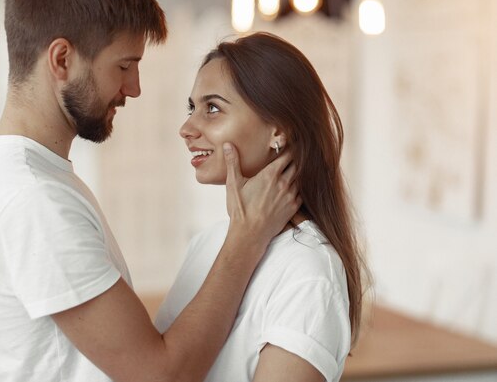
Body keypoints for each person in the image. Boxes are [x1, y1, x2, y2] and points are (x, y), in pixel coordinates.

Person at [0, 0, 301, 382]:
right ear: (62, 59)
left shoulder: (27, 179)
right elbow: (161, 375)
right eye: (124, 66)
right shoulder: (32, 200)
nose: (134, 87)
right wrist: (247, 238)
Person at [155, 32, 367, 382]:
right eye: (192, 108)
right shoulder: (208, 243)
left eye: (213, 108)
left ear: (278, 130)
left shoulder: (308, 271)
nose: (186, 128)